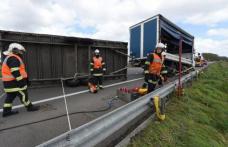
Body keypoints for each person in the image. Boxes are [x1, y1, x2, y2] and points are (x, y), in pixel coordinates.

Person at [2, 43, 40, 117]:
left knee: (10, 96)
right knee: (23, 95)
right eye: (20, 51)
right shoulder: (13, 58)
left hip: (9, 83)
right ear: (15, 50)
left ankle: (6, 111)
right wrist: (22, 82)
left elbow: (19, 71)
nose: (21, 53)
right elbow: (15, 72)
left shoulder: (10, 57)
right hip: (15, 83)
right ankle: (30, 107)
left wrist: (26, 79)